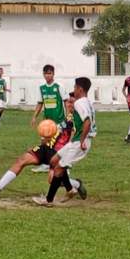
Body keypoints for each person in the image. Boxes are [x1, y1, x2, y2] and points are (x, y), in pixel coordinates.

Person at [0, 94, 81, 196]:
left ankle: (77, 184)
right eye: (68, 102)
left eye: (72, 102)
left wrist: (66, 155)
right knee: (22, 160)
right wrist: (46, 137)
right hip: (46, 148)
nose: (69, 104)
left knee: (52, 180)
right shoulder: (67, 116)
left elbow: (73, 139)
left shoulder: (76, 120)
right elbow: (57, 134)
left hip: (58, 153)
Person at [33, 78, 94, 206]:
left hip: (80, 142)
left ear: (80, 89)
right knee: (54, 161)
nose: (73, 90)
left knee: (59, 169)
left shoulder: (79, 103)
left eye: (75, 87)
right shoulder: (87, 102)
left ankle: (48, 200)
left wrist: (82, 140)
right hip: (75, 141)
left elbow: (87, 122)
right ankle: (70, 189)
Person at [30, 64, 67, 171]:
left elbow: (66, 102)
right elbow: (40, 103)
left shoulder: (59, 87)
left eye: (50, 73)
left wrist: (68, 116)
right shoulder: (42, 88)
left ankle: (59, 164)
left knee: (57, 144)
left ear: (53, 74)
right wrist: (34, 117)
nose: (48, 75)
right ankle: (46, 164)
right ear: (43, 74)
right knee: (44, 142)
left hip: (59, 120)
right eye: (46, 73)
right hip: (46, 121)